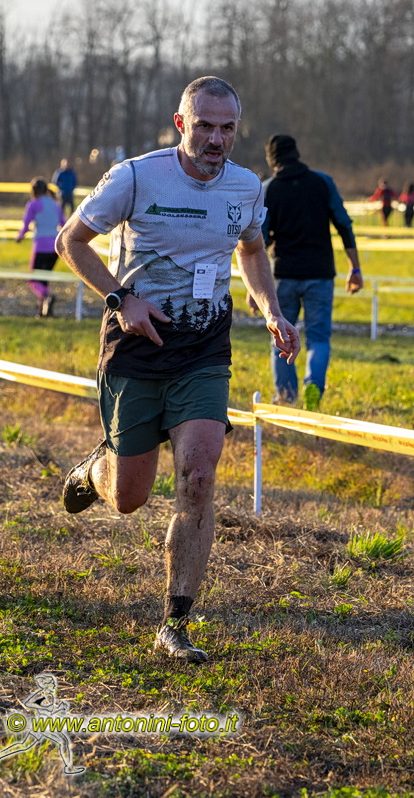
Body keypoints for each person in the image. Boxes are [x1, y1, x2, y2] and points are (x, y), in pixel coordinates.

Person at [56, 76, 298, 664]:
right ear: (180, 123)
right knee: (130, 498)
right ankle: (95, 471)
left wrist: (270, 309)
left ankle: (175, 623)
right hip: (136, 345)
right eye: (205, 126)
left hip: (204, 349)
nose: (217, 139)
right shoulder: (135, 178)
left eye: (228, 128)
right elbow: (71, 242)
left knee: (198, 479)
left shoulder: (245, 186)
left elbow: (251, 250)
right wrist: (122, 300)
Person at [257, 134, 362, 410]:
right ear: (296, 153)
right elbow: (344, 225)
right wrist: (355, 268)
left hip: (284, 275)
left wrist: (257, 287)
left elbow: (259, 242)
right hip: (320, 274)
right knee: (319, 337)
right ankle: (314, 384)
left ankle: (286, 396)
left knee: (281, 337)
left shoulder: (268, 189)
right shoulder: (323, 182)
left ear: (272, 159)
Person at [16, 177, 65, 317]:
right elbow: (64, 224)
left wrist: (19, 237)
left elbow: (26, 225)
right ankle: (42, 311)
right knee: (44, 280)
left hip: (41, 246)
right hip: (55, 248)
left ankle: (47, 297)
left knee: (33, 280)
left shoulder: (33, 204)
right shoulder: (55, 204)